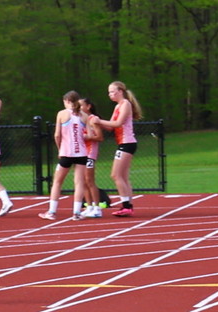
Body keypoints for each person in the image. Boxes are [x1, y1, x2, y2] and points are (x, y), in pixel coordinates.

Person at [92, 80, 143, 217]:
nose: (110, 95)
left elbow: (118, 123)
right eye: (109, 92)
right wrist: (97, 121)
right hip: (123, 143)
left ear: (120, 91)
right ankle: (128, 205)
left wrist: (99, 121)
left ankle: (126, 206)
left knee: (115, 175)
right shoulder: (117, 107)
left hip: (127, 143)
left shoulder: (125, 104)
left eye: (112, 92)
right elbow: (111, 126)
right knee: (123, 177)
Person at [39, 91, 89, 221]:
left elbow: (57, 135)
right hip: (81, 153)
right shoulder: (84, 116)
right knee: (79, 182)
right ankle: (76, 213)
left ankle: (51, 212)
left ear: (67, 101)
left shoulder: (62, 114)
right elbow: (88, 134)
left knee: (57, 182)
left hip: (66, 152)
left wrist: (59, 148)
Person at [79, 97, 105, 218]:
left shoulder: (92, 119)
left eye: (81, 105)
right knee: (82, 181)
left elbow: (100, 137)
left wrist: (86, 137)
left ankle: (97, 207)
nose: (79, 108)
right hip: (81, 152)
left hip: (90, 153)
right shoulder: (80, 119)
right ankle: (89, 206)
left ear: (88, 106)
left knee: (89, 180)